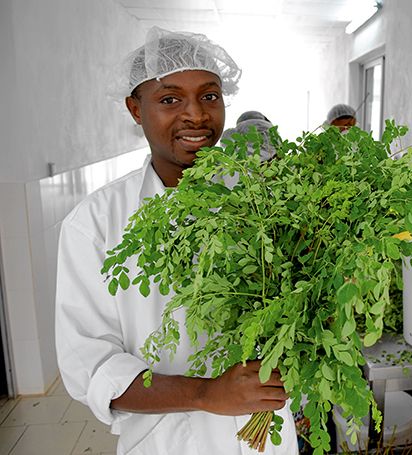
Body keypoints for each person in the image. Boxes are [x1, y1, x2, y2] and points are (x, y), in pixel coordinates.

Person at [55, 27, 298, 455]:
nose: (197, 116)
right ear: (135, 109)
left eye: (210, 96)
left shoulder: (263, 200)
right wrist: (206, 395)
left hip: (268, 439)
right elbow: (91, 368)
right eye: (170, 99)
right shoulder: (95, 223)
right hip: (166, 442)